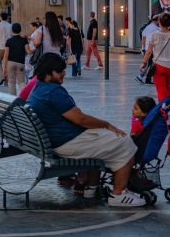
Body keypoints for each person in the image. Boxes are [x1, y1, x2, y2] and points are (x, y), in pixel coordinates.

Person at [28, 53, 145, 207]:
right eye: (59, 71)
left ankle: (91, 188)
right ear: (48, 74)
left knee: (106, 139)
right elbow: (80, 119)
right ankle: (118, 194)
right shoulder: (53, 91)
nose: (63, 73)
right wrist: (106, 124)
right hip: (66, 142)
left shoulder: (38, 88)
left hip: (55, 140)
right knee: (125, 142)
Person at [140, 12, 170, 101]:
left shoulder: (155, 34)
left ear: (159, 22)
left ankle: (163, 111)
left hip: (159, 67)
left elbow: (148, 52)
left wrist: (143, 63)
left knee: (161, 91)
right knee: (166, 88)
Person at [2, 23, 29, 95]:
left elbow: (6, 55)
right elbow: (28, 51)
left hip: (10, 63)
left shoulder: (9, 41)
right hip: (20, 63)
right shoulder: (24, 40)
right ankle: (24, 97)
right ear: (20, 30)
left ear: (12, 30)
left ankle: (12, 99)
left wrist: (4, 68)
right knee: (21, 82)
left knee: (11, 81)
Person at [0, 12, 12, 83]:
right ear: (7, 17)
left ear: (0, 17)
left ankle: (2, 76)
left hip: (0, 47)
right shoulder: (10, 26)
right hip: (9, 47)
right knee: (6, 63)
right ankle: (6, 79)